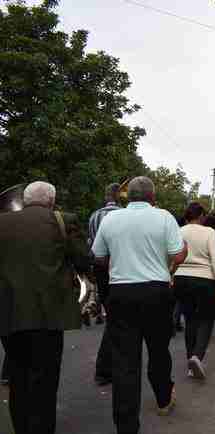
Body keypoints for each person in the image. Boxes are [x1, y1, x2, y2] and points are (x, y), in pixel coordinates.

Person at [92, 176, 188, 433]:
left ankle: (126, 426)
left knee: (124, 363)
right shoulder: (164, 217)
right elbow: (178, 254)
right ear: (152, 197)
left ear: (128, 197)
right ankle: (163, 397)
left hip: (121, 293)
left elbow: (98, 257)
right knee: (158, 351)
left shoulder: (110, 219)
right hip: (156, 292)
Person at [0, 181, 91, 434]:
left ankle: (22, 427)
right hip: (49, 314)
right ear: (51, 200)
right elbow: (84, 260)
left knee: (18, 376)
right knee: (45, 379)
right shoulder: (63, 220)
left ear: (26, 199)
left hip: (8, 312)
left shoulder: (2, 221)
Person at [174, 203, 215, 380]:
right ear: (202, 216)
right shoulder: (209, 232)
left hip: (181, 278)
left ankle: (190, 361)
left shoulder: (178, 231)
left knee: (190, 320)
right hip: (204, 279)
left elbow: (171, 255)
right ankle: (197, 356)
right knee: (206, 319)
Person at [89, 183, 122, 386]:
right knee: (118, 317)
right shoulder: (122, 214)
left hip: (99, 266)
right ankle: (106, 367)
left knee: (111, 309)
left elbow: (91, 244)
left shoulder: (94, 216)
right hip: (117, 267)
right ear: (119, 196)